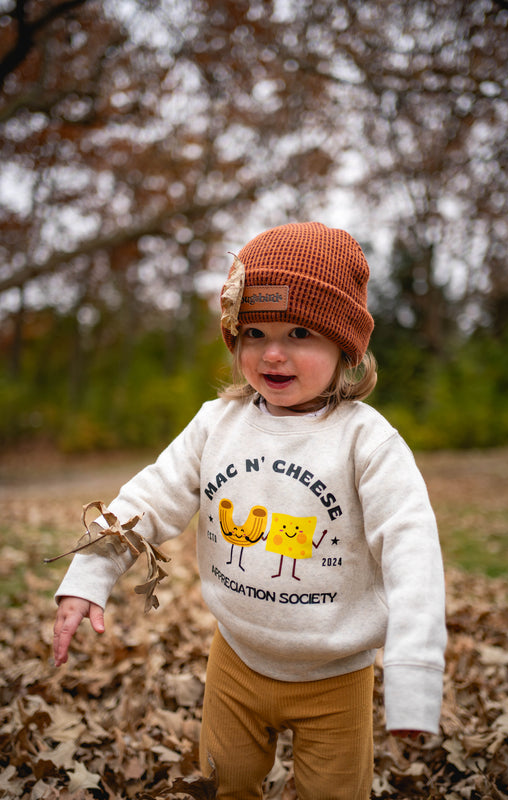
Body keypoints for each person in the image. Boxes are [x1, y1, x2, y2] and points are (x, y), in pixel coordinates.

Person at [53, 222, 447, 800]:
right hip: (235, 663)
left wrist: (414, 677)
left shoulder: (367, 441)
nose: (273, 352)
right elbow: (150, 496)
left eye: (301, 332)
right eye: (254, 331)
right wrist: (89, 573)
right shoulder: (218, 423)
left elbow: (412, 550)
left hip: (335, 678)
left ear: (346, 345)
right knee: (221, 784)